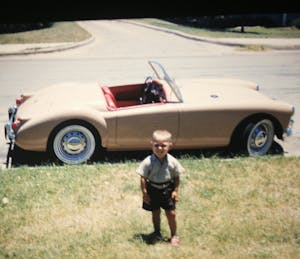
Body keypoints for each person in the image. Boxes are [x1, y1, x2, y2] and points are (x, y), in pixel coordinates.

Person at [136, 130, 185, 247]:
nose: (159, 148)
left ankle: (174, 235)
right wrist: (145, 193)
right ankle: (157, 232)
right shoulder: (148, 161)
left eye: (163, 145)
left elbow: (176, 177)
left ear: (170, 146)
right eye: (156, 145)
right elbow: (143, 178)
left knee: (171, 213)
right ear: (151, 144)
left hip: (167, 189)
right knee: (155, 212)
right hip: (153, 189)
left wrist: (175, 191)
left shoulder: (172, 161)